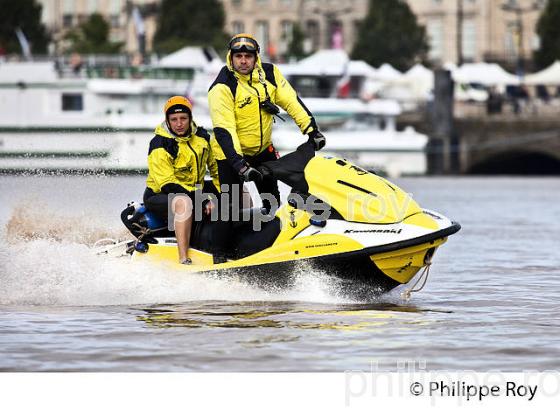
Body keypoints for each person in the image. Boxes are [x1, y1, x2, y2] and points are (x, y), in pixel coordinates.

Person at [207, 33, 325, 260]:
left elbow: (291, 101)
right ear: (231, 58)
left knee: (271, 200)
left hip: (262, 150)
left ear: (255, 58)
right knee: (228, 205)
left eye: (248, 56)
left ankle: (272, 249)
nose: (243, 61)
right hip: (229, 154)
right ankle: (218, 258)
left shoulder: (269, 74)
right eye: (238, 56)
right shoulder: (222, 87)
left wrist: (312, 130)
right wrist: (239, 165)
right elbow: (224, 130)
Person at [143, 96, 219, 264]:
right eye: (174, 119)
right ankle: (183, 258)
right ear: (168, 121)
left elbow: (216, 169)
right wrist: (202, 200)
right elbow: (168, 184)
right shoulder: (159, 144)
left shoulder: (203, 137)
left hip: (194, 189)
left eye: (183, 118)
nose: (179, 123)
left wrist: (225, 190)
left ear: (190, 118)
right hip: (160, 194)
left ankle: (242, 246)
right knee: (184, 202)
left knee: (238, 191)